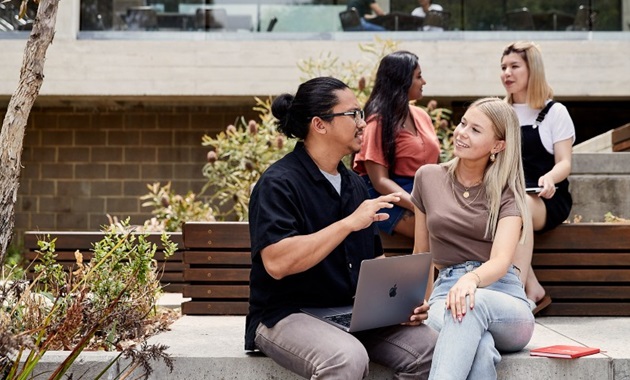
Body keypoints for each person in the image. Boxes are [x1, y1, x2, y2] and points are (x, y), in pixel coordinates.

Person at [245, 76, 438, 379]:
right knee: (346, 357)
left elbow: (373, 261)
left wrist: (398, 306)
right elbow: (277, 263)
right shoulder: (278, 183)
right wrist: (348, 224)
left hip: (350, 314)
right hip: (286, 315)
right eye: (352, 115)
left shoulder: (355, 186)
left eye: (360, 114)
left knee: (430, 346)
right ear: (319, 125)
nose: (363, 124)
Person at [411, 97, 535, 379]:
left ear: (498, 145)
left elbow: (502, 260)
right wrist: (419, 304)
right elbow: (422, 252)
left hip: (504, 300)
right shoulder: (427, 178)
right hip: (445, 297)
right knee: (480, 349)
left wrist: (471, 280)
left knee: (471, 303)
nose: (461, 133)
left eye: (475, 130)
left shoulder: (509, 193)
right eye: (463, 123)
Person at [500, 41, 576, 314]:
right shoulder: (501, 112)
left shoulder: (555, 112)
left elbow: (564, 162)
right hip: (507, 199)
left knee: (517, 207)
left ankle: (515, 297)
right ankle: (534, 289)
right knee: (506, 207)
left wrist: (549, 178)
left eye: (514, 66)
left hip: (546, 199)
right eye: (503, 67)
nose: (506, 73)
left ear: (533, 69)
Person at [353, 51, 440, 238]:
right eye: (418, 76)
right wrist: (417, 204)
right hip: (390, 196)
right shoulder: (378, 122)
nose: (423, 82)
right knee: (440, 235)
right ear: (401, 81)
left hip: (425, 192)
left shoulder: (422, 116)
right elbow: (380, 181)